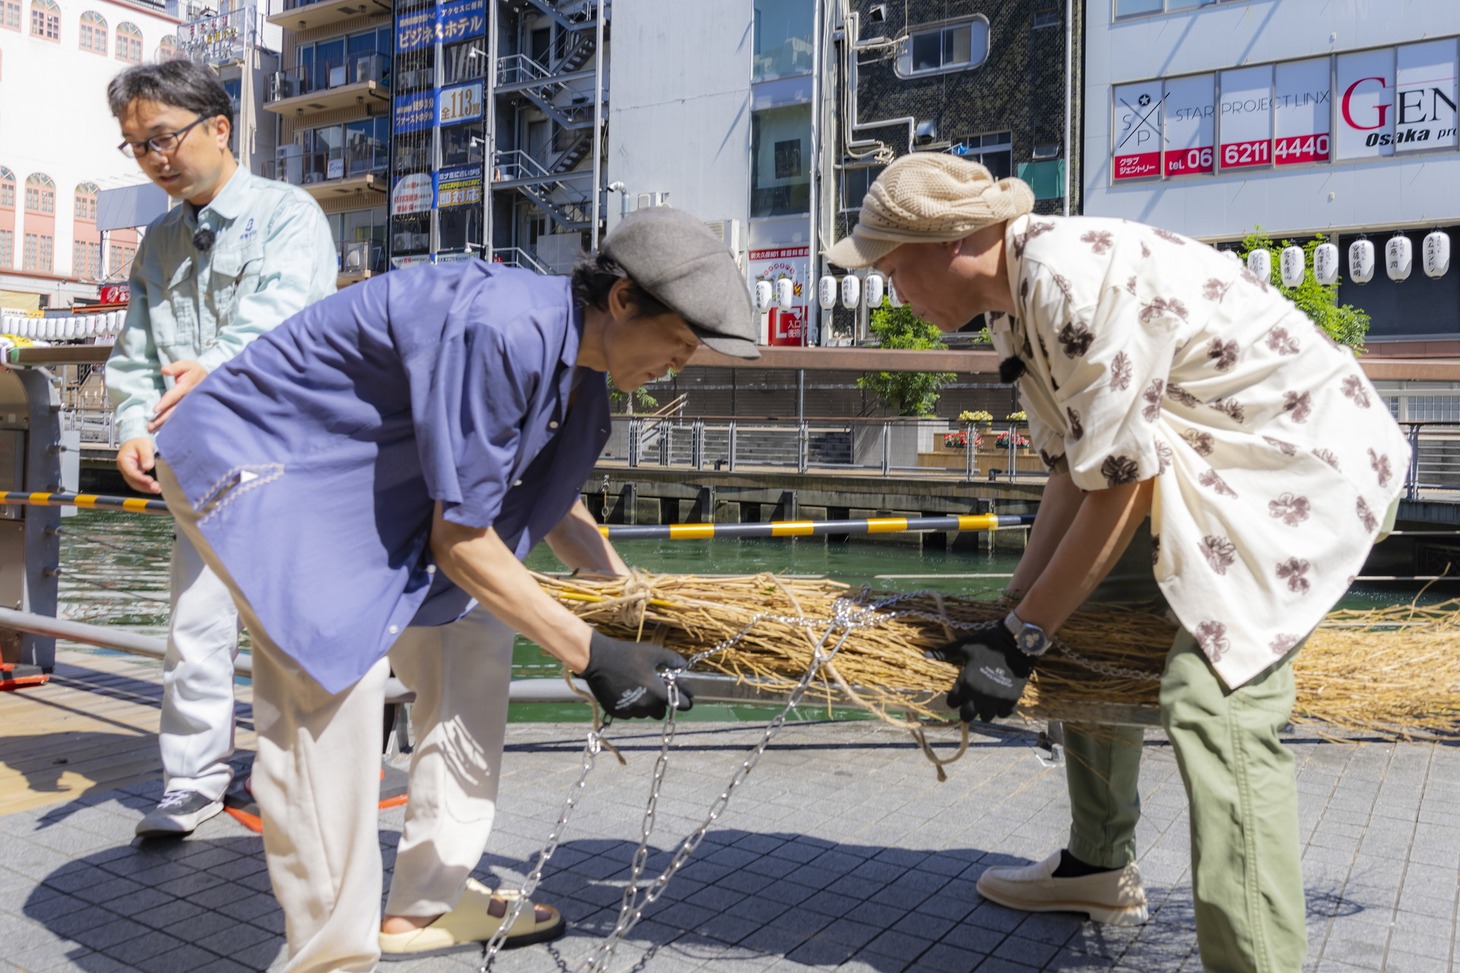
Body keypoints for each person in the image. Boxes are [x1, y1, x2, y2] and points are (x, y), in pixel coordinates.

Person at [827, 153, 1408, 973]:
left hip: (1302, 469)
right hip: (1212, 462)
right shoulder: (1013, 304)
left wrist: (1022, 636)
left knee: (1216, 702)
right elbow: (1076, 469)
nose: (894, 294)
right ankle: (1098, 865)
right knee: (1087, 621)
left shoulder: (1069, 281)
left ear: (953, 240)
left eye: (892, 270)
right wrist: (1016, 611)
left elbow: (1123, 486)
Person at [152, 206, 760, 971]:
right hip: (267, 461)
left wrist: (629, 599)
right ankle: (326, 955)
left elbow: (544, 495)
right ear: (623, 300)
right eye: (677, 344)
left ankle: (429, 900)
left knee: (476, 629)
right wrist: (590, 652)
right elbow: (460, 538)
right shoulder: (503, 328)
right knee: (331, 680)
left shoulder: (582, 372)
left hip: (365, 478)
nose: (679, 366)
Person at [105, 59, 337, 839]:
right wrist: (133, 425)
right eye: (137, 148)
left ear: (219, 128)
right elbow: (135, 352)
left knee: (287, 624)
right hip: (197, 461)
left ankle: (293, 766)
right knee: (196, 623)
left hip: (285, 454)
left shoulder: (288, 214)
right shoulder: (158, 242)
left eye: (163, 138)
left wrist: (215, 368)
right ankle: (192, 778)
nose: (154, 159)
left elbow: (285, 313)